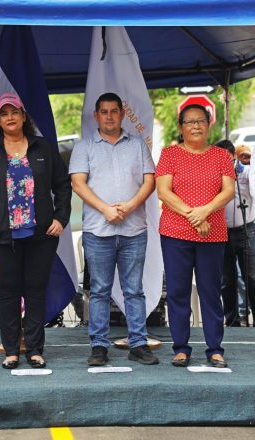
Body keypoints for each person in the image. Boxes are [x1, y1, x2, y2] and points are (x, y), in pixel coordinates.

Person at [0, 92, 71, 369]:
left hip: (41, 236)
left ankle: (34, 350)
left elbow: (62, 185)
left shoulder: (43, 148)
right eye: (4, 113)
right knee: (8, 293)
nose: (10, 117)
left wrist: (61, 217)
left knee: (36, 291)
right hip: (0, 237)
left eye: (14, 112)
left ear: (24, 116)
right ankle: (11, 350)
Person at [69, 92, 158, 366]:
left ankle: (138, 344)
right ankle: (99, 346)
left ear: (122, 114)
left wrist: (129, 206)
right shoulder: (84, 147)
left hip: (134, 230)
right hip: (98, 231)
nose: (109, 116)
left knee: (134, 290)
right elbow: (78, 184)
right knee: (99, 291)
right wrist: (106, 209)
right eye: (104, 112)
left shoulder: (138, 145)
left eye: (114, 111)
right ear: (96, 115)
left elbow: (150, 181)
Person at [155, 104, 235, 368]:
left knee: (210, 292)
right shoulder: (169, 154)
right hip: (175, 233)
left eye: (200, 120)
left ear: (209, 124)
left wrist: (205, 212)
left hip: (212, 233)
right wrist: (195, 216)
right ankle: (181, 348)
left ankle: (215, 349)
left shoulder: (221, 155)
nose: (195, 126)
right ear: (181, 127)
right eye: (189, 122)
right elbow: (164, 192)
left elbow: (228, 191)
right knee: (177, 292)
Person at [215, 139, 255, 327]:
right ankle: (232, 320)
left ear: (233, 156)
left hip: (246, 229)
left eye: (227, 158)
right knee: (227, 280)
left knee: (252, 277)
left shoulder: (246, 172)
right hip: (223, 232)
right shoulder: (213, 174)